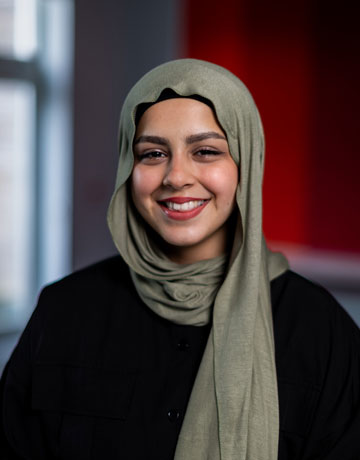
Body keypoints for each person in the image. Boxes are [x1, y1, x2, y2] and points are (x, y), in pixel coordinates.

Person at [1, 58, 360, 460]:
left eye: (205, 151)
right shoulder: (63, 311)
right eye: (153, 154)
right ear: (128, 167)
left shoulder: (319, 331)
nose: (176, 176)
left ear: (246, 163)